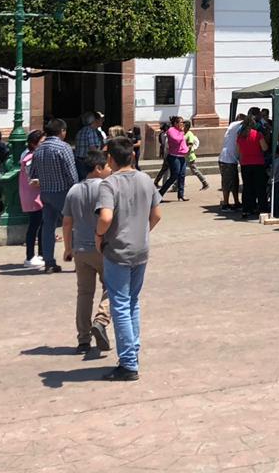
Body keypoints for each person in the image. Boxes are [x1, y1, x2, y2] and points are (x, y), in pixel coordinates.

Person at [95, 136, 161, 381]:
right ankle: (133, 352)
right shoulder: (145, 179)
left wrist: (99, 236)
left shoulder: (109, 184)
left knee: (120, 304)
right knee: (132, 302)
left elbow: (105, 217)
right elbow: (157, 214)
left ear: (110, 159)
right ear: (132, 156)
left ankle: (128, 363)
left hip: (118, 249)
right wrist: (142, 231)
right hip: (141, 249)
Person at [62, 151, 113, 354]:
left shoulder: (74, 190)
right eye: (107, 167)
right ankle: (101, 320)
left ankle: (83, 339)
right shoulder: (105, 188)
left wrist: (68, 248)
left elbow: (67, 222)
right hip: (102, 247)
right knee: (112, 287)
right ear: (98, 169)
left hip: (80, 249)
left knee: (84, 294)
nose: (110, 171)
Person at [30, 118, 78, 273]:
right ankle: (79, 258)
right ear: (62, 131)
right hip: (63, 192)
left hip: (45, 192)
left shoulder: (39, 149)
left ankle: (49, 261)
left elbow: (33, 173)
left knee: (48, 227)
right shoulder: (63, 148)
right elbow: (71, 173)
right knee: (74, 225)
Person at [19, 129, 45, 269]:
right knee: (34, 226)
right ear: (34, 144)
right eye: (41, 142)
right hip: (33, 196)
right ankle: (30, 256)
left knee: (40, 224)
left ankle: (40, 254)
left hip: (35, 195)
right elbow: (32, 179)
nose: (44, 144)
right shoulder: (30, 158)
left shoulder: (29, 155)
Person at [237, 113, 270, 219]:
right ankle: (262, 208)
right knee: (260, 187)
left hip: (245, 163)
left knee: (247, 187)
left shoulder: (240, 136)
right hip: (258, 163)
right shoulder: (257, 134)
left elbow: (239, 151)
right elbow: (264, 148)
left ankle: (246, 209)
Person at [157, 116, 189, 201]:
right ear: (175, 123)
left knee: (182, 175)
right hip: (174, 156)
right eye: (181, 122)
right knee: (174, 176)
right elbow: (176, 140)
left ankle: (181, 195)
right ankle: (160, 194)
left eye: (183, 122)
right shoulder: (171, 130)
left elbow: (183, 143)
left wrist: (186, 149)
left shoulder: (180, 131)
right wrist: (182, 132)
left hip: (182, 156)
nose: (182, 124)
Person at [218, 114, 243, 211]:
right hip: (227, 159)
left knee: (234, 182)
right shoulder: (235, 125)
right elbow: (245, 121)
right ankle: (225, 204)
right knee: (227, 183)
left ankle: (236, 202)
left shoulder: (233, 128)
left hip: (230, 159)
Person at [73, 111, 106, 181]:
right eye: (100, 119)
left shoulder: (81, 131)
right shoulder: (91, 131)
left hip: (79, 161)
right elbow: (93, 150)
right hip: (87, 162)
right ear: (95, 120)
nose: (102, 121)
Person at [183, 119, 211, 191]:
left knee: (194, 170)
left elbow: (190, 145)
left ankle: (205, 183)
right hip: (184, 156)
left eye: (183, 125)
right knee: (181, 171)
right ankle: (177, 185)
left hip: (189, 156)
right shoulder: (183, 133)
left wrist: (185, 151)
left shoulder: (189, 134)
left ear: (186, 126)